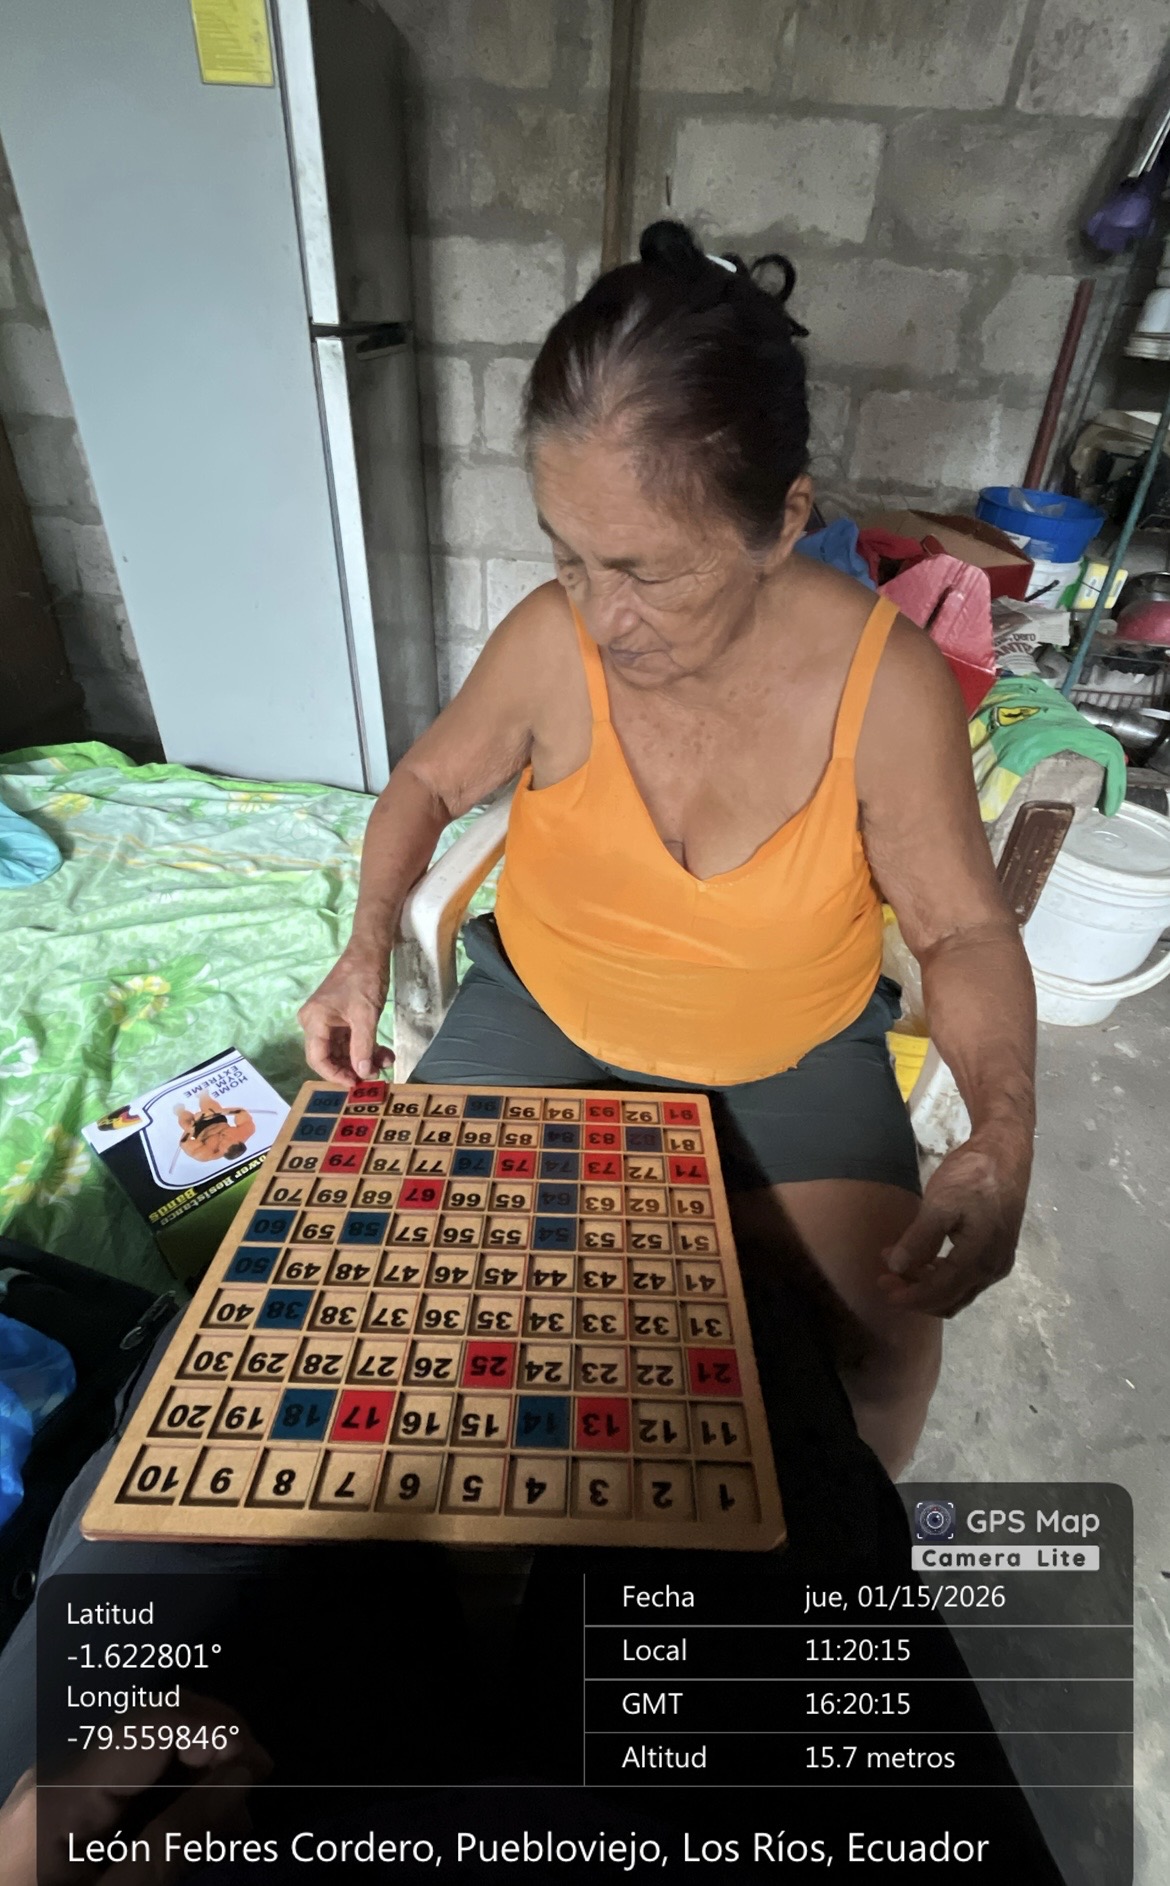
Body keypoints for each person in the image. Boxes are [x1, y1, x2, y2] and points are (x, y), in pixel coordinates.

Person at [299, 220, 1036, 1478]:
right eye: (568, 556)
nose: (603, 616)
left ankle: (838, 1545)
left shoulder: (886, 685)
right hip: (546, 1010)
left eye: (646, 570)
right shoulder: (551, 639)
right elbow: (424, 781)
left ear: (782, 521)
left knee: (888, 1340)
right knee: (405, 1285)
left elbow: (963, 927)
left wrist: (1005, 1132)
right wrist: (364, 946)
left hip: (790, 1049)